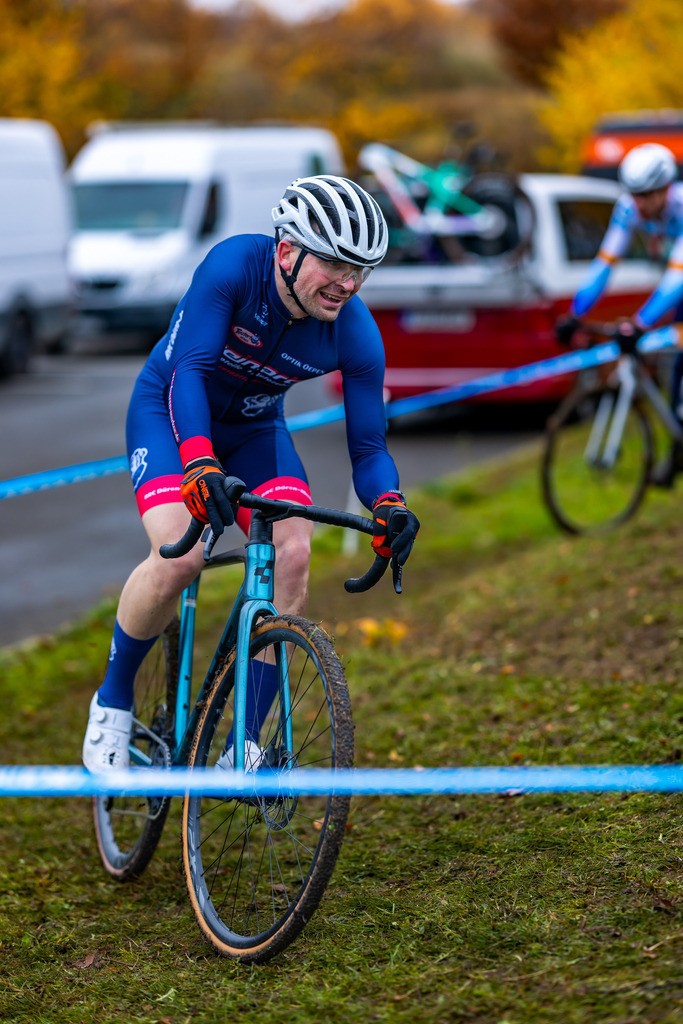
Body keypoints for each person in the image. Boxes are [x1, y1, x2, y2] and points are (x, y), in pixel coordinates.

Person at [82, 174, 420, 772]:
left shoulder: (355, 331)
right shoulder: (234, 266)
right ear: (287, 252)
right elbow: (189, 370)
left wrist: (390, 504)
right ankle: (111, 702)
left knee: (292, 551)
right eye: (337, 264)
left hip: (256, 431)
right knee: (178, 558)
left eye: (361, 269)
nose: (349, 283)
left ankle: (245, 740)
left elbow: (368, 448)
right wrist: (199, 462)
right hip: (170, 413)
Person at [555, 142, 683, 485]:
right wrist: (575, 313)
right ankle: (676, 447)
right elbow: (605, 263)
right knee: (675, 373)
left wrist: (640, 322)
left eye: (647, 196)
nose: (639, 204)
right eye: (634, 195)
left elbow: (678, 275)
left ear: (666, 189)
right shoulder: (629, 209)